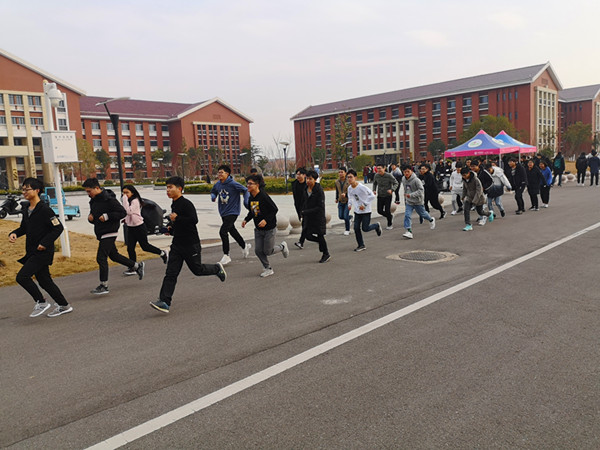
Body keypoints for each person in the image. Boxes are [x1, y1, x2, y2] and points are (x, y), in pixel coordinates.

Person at [150, 176, 226, 313]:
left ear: (179, 188)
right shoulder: (174, 204)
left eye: (170, 187)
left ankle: (216, 268)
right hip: (177, 244)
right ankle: (165, 302)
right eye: (167, 188)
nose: (168, 190)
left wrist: (177, 218)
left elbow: (193, 220)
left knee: (197, 270)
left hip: (190, 244)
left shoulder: (186, 204)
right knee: (171, 273)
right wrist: (171, 229)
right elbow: (179, 224)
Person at [8, 177, 72, 317]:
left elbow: (58, 227)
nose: (24, 192)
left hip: (42, 252)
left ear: (37, 190)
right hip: (32, 251)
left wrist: (44, 243)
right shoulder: (27, 209)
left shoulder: (45, 209)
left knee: (22, 277)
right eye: (23, 189)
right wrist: (14, 233)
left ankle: (41, 302)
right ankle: (64, 305)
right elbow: (24, 228)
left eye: (27, 189)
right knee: (45, 281)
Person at [82, 178, 144, 295]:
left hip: (110, 231)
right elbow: (96, 217)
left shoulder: (109, 199)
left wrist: (107, 216)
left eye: (89, 191)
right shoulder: (93, 201)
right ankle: (136, 266)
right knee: (114, 256)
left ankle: (104, 285)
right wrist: (91, 218)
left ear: (97, 188)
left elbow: (122, 212)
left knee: (101, 258)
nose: (88, 194)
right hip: (101, 231)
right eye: (87, 192)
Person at [242, 174, 289, 277]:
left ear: (257, 185)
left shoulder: (263, 196)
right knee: (258, 251)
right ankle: (268, 268)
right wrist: (246, 220)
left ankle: (282, 247)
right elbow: (253, 212)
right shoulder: (251, 198)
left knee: (268, 251)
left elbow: (274, 209)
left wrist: (265, 220)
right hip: (258, 229)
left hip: (269, 229)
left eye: (250, 184)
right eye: (247, 184)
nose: (248, 186)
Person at [210, 165, 251, 265]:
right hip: (223, 211)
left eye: (221, 172)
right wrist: (213, 196)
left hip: (233, 211)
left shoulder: (233, 183)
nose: (219, 174)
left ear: (227, 174)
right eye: (219, 172)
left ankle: (226, 255)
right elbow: (213, 191)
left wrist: (246, 201)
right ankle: (244, 245)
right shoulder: (218, 184)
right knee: (232, 230)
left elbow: (245, 190)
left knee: (223, 232)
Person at [122, 184, 167, 273]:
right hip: (131, 227)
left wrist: (124, 200)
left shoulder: (135, 201)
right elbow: (127, 213)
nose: (125, 195)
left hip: (139, 227)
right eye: (123, 193)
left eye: (127, 193)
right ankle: (134, 267)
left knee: (145, 246)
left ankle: (162, 253)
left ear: (132, 193)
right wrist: (125, 219)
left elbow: (129, 211)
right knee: (130, 248)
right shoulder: (128, 201)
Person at [346, 169, 381, 251]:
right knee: (356, 228)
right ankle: (361, 245)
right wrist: (349, 204)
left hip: (366, 211)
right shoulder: (349, 188)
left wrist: (364, 204)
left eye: (351, 177)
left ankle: (376, 226)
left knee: (365, 228)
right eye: (348, 177)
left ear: (355, 177)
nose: (349, 179)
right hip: (357, 211)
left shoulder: (361, 187)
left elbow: (372, 195)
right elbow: (350, 197)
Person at [302, 170, 330, 263]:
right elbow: (305, 202)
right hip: (308, 216)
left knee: (320, 235)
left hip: (318, 217)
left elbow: (320, 206)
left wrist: (306, 212)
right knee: (307, 235)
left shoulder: (319, 190)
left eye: (310, 179)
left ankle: (326, 254)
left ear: (315, 179)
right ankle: (321, 243)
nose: (308, 181)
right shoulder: (305, 189)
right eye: (307, 178)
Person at [400, 164, 435, 239]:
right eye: (405, 172)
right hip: (409, 201)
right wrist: (406, 196)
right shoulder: (403, 179)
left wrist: (411, 195)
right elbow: (406, 188)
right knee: (407, 215)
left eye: (408, 171)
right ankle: (409, 231)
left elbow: (421, 190)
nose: (406, 173)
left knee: (423, 214)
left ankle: (431, 219)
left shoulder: (416, 180)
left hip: (418, 201)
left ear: (411, 171)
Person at [461, 167, 493, 231]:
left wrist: (475, 201)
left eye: (465, 175)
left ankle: (489, 213)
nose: (464, 177)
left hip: (478, 198)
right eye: (462, 175)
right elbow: (464, 189)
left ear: (469, 173)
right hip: (469, 198)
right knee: (466, 210)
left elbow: (479, 191)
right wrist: (463, 196)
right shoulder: (464, 180)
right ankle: (468, 225)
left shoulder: (476, 180)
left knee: (480, 212)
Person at [373, 164, 398, 229]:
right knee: (379, 211)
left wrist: (392, 190)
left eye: (380, 168)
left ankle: (389, 224)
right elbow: (374, 183)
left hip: (387, 196)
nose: (378, 170)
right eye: (377, 168)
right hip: (380, 195)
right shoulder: (376, 175)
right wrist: (374, 190)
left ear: (384, 168)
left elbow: (396, 183)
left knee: (387, 210)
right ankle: (390, 216)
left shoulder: (389, 175)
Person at [292, 168, 308, 249]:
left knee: (305, 224)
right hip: (298, 206)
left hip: (307, 207)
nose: (298, 176)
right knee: (305, 225)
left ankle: (301, 242)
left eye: (299, 174)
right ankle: (320, 238)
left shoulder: (308, 184)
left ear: (304, 175)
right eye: (297, 174)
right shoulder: (294, 184)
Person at [334, 167, 351, 235]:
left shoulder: (348, 181)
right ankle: (350, 218)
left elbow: (351, 191)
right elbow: (337, 191)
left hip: (347, 201)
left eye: (342, 172)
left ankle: (347, 229)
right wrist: (336, 198)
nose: (340, 173)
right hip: (340, 201)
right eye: (339, 172)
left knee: (345, 216)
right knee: (341, 216)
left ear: (345, 173)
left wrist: (346, 195)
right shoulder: (337, 182)